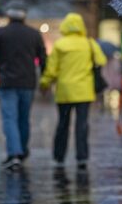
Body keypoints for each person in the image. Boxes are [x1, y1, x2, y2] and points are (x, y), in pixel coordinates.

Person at [0, 0, 47, 169]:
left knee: (10, 118)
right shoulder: (33, 34)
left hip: (7, 82)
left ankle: (14, 154)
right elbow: (43, 59)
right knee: (23, 118)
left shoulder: (0, 33)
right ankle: (21, 151)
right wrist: (44, 78)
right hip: (27, 82)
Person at [39, 13, 107, 168]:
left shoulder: (60, 45)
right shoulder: (88, 43)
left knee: (63, 124)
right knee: (81, 125)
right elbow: (101, 60)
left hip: (64, 92)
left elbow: (51, 70)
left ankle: (59, 156)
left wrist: (44, 84)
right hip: (84, 92)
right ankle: (82, 157)